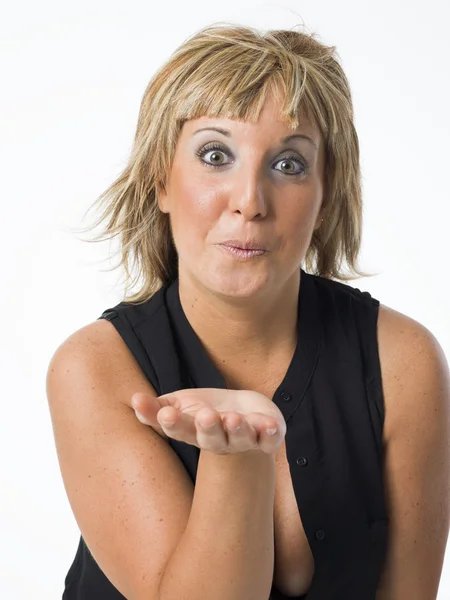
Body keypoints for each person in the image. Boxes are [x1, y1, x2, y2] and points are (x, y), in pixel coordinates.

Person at [46, 22, 450, 600]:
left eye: (289, 165)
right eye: (216, 155)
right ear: (161, 179)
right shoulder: (93, 366)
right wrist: (236, 457)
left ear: (326, 192)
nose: (250, 202)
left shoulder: (403, 361)